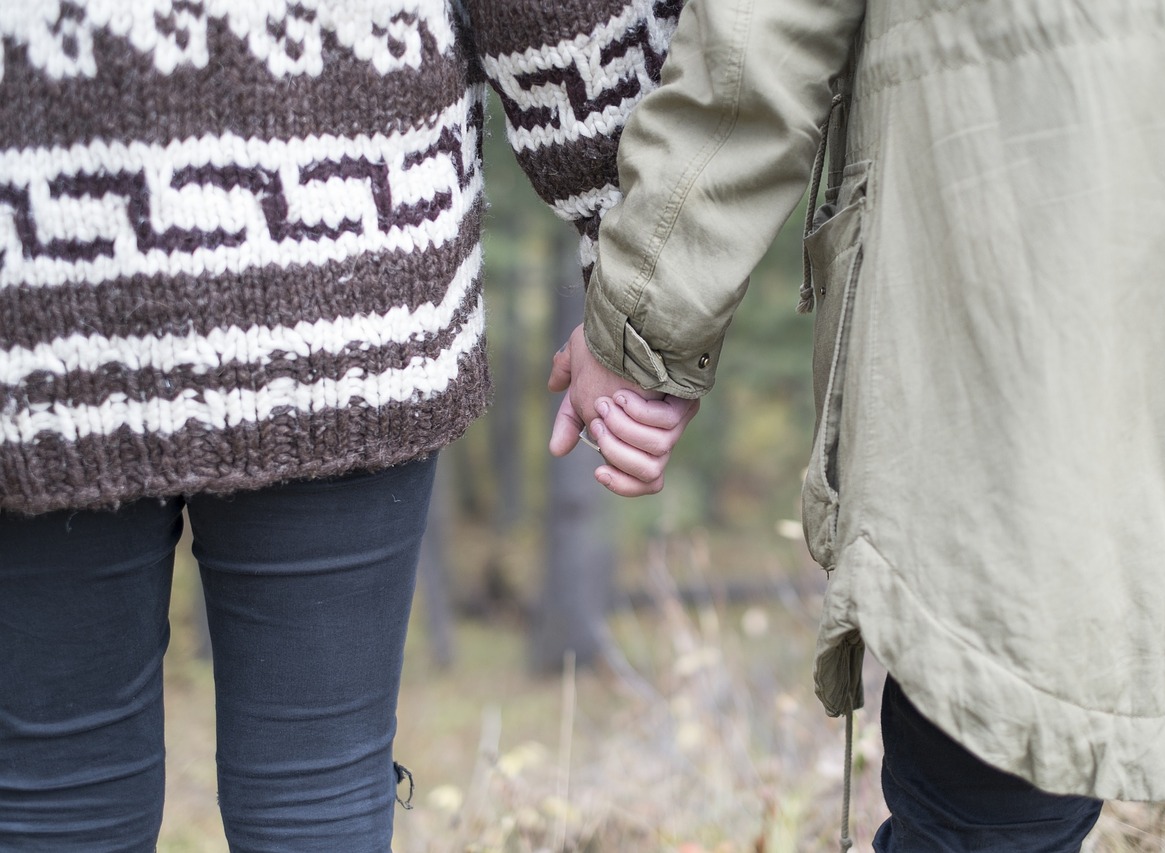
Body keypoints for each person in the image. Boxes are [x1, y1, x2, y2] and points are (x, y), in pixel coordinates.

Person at [550, 0, 1165, 849]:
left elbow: (761, 35)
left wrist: (645, 319)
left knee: (987, 819)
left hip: (1012, 330)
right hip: (1019, 319)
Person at [0, 0, 686, 849]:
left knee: (52, 795)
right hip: (345, 269)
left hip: (31, 280)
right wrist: (632, 261)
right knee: (315, 789)